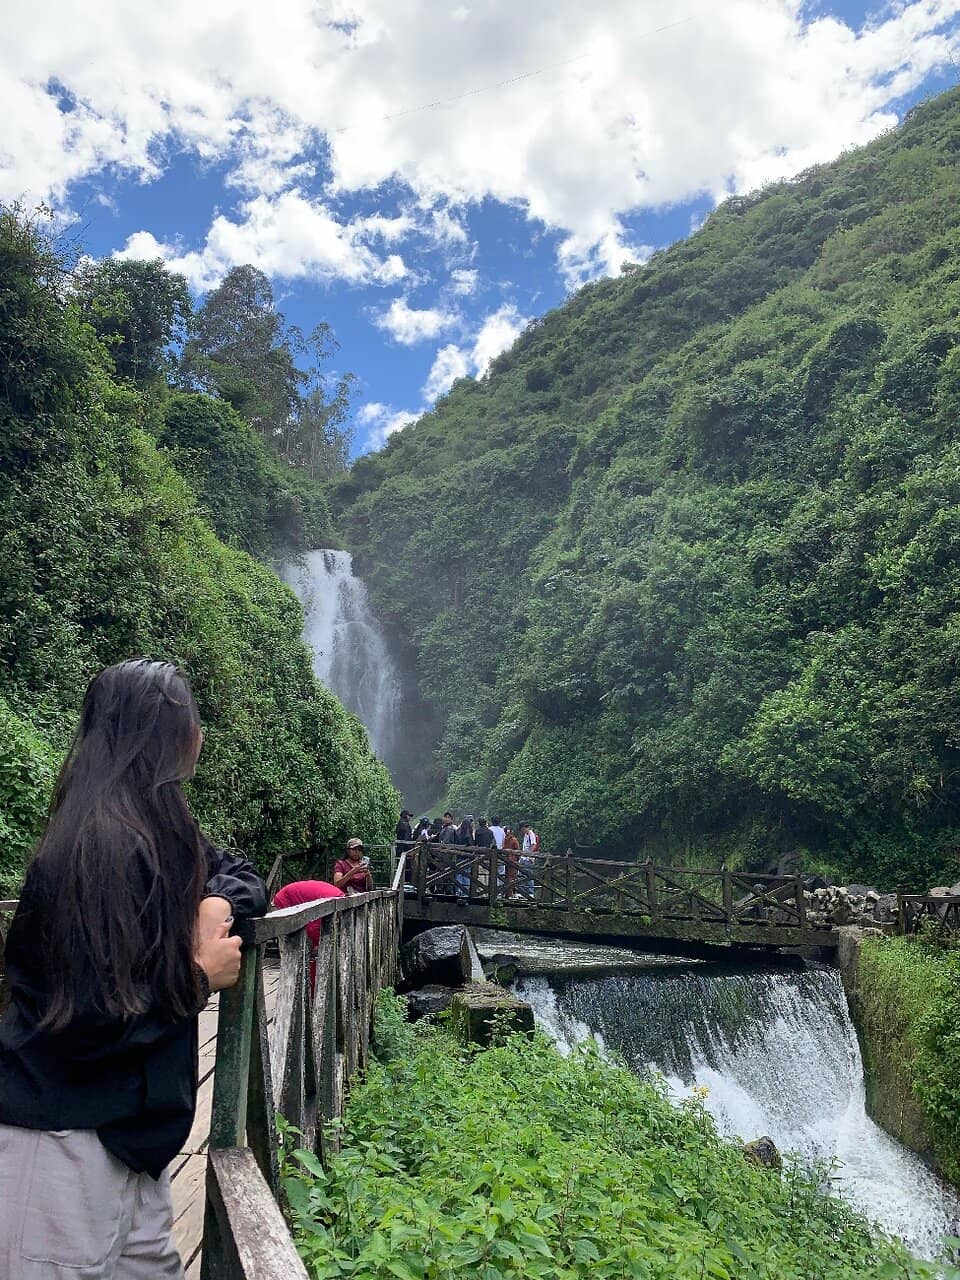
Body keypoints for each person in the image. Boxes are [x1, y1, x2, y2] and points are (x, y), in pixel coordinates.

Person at [0, 658, 268, 1280]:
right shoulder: (96, 848)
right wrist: (198, 974)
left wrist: (216, 903)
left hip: (130, 1152)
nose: (200, 734)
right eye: (191, 720)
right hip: (62, 1151)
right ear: (167, 737)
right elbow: (90, 1023)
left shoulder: (162, 829)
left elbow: (244, 873)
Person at [271, 880, 344, 988]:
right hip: (285, 902)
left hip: (295, 898)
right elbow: (315, 928)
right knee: (290, 950)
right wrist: (316, 945)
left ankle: (306, 985)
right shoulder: (334, 902)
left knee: (312, 950)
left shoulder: (338, 898)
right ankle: (292, 986)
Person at [502, 825, 521, 897]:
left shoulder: (505, 839)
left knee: (508, 877)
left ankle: (508, 893)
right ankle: (511, 893)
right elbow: (518, 850)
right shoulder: (514, 839)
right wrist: (516, 859)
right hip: (513, 861)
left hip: (507, 860)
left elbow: (504, 848)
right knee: (512, 877)